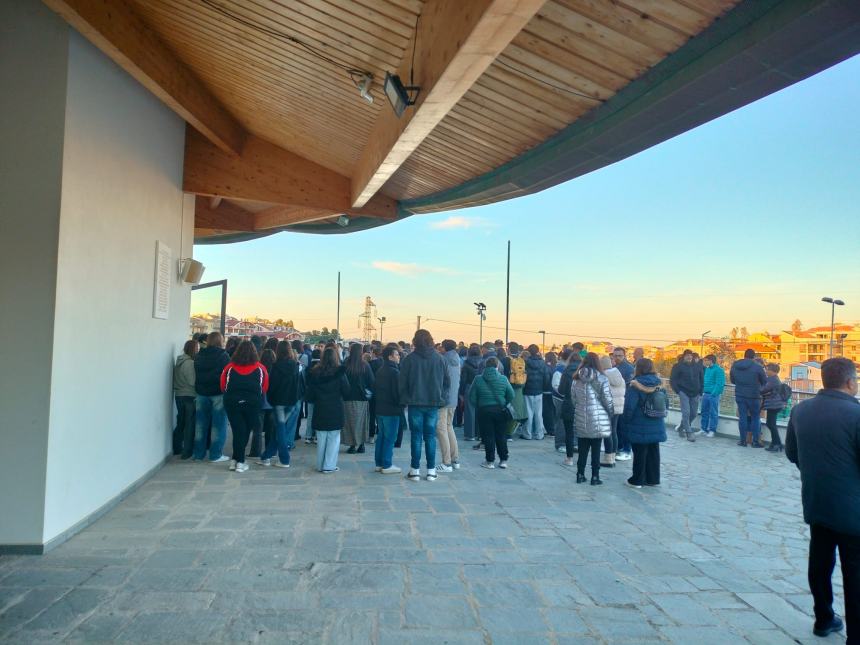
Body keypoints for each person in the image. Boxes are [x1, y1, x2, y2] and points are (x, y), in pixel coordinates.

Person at [785, 357, 860, 642]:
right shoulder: (856, 415)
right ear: (850, 382)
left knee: (820, 562)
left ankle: (823, 618)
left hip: (817, 502)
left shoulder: (800, 410)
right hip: (854, 510)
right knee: (855, 573)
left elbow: (793, 453)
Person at [398, 329, 448, 482]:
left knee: (416, 436)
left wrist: (405, 399)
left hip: (415, 403)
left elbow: (402, 383)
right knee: (430, 437)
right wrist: (441, 398)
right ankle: (431, 470)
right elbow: (447, 383)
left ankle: (415, 470)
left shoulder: (409, 359)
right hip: (433, 403)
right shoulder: (440, 359)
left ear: (415, 341)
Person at [220, 340, 269, 473]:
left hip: (232, 403)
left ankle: (235, 460)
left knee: (237, 431)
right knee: (245, 431)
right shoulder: (260, 368)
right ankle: (240, 462)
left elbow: (223, 386)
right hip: (252, 403)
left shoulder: (229, 367)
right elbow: (264, 387)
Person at [623, 358, 668, 488]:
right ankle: (653, 479)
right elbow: (666, 404)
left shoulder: (635, 385)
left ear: (638, 368)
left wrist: (626, 420)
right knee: (654, 451)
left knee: (640, 452)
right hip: (656, 422)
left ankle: (637, 480)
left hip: (639, 423)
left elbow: (630, 407)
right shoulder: (660, 384)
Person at [305, 347, 350, 473]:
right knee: (334, 439)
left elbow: (309, 396)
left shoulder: (315, 373)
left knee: (321, 438)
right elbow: (346, 391)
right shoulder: (340, 373)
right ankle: (329, 465)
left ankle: (320, 465)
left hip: (320, 409)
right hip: (335, 408)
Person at [572, 353, 613, 485]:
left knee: (582, 448)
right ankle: (595, 477)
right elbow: (607, 398)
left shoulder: (576, 377)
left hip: (580, 415)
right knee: (596, 449)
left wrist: (580, 408)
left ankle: (580, 474)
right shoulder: (602, 378)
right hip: (598, 418)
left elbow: (573, 398)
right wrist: (610, 412)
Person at [258, 341, 301, 468]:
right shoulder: (295, 366)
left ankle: (284, 459)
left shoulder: (276, 367)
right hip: (291, 402)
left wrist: (270, 400)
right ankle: (266, 456)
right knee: (279, 429)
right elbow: (297, 385)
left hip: (279, 403)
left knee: (280, 431)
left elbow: (272, 386)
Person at [469, 357, 514, 469]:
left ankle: (490, 461)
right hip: (500, 410)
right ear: (497, 366)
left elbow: (472, 396)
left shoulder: (478, 379)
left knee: (488, 436)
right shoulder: (503, 379)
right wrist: (504, 403)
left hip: (484, 410)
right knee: (501, 435)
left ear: (485, 366)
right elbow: (511, 395)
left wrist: (479, 405)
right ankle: (503, 460)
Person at [192, 331, 231, 462]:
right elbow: (227, 374)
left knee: (200, 425)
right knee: (218, 424)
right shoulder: (223, 356)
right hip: (218, 393)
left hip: (201, 393)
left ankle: (198, 454)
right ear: (220, 341)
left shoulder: (198, 355)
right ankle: (215, 454)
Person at [373, 344, 403, 474]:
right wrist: (401, 405)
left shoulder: (381, 370)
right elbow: (397, 393)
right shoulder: (394, 372)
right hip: (391, 410)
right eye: (396, 354)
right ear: (390, 357)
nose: (399, 357)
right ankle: (387, 464)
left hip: (380, 408)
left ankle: (379, 463)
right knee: (390, 437)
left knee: (382, 436)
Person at [730, 349, 767, 447]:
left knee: (742, 418)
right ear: (754, 357)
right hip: (754, 396)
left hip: (740, 395)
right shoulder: (758, 367)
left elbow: (732, 380)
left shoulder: (735, 366)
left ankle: (742, 441)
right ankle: (755, 442)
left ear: (744, 355)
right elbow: (764, 382)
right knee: (755, 418)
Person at [343, 343, 374, 454]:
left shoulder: (346, 363)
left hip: (348, 397)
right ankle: (361, 445)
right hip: (362, 398)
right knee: (362, 422)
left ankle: (352, 445)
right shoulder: (365, 365)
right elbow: (371, 381)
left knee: (349, 423)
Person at [436, 339, 461, 472]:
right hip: (453, 400)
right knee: (449, 427)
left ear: (444, 348)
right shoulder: (457, 359)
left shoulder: (443, 360)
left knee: (441, 430)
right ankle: (455, 459)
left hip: (443, 400)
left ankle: (446, 463)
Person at [172, 339, 198, 459]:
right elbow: (192, 381)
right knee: (189, 424)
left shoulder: (179, 361)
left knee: (181, 422)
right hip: (189, 395)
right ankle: (187, 452)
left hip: (179, 395)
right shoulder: (189, 363)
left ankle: (177, 447)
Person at [670, 350, 703, 442]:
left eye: (690, 355)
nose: (689, 357)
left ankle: (681, 427)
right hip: (683, 392)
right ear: (684, 356)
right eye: (687, 355)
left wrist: (701, 391)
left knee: (693, 413)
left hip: (695, 393)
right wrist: (678, 391)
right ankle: (689, 432)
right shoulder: (678, 366)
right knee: (686, 412)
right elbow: (673, 380)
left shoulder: (698, 366)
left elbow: (701, 379)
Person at [598, 355, 625, 468]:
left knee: (607, 433)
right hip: (618, 408)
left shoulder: (604, 377)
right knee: (613, 432)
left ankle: (608, 458)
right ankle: (613, 457)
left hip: (607, 408)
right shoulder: (620, 376)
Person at [558, 347, 583, 464]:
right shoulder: (586, 371)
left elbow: (561, 390)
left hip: (569, 404)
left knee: (569, 432)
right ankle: (583, 458)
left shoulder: (566, 371)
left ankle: (569, 458)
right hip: (583, 405)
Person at [522, 344, 549, 440]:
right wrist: (543, 387)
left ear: (529, 351)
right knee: (538, 413)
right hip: (539, 391)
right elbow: (546, 377)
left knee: (528, 413)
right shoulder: (542, 363)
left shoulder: (525, 362)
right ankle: (539, 434)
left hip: (527, 390)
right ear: (538, 351)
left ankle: (527, 434)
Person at [253, 348, 276, 459]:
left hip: (260, 401)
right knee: (270, 429)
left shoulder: (258, 369)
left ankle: (255, 451)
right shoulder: (276, 370)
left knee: (257, 428)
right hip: (272, 402)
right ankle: (269, 450)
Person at [761, 363, 788, 452]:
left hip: (774, 405)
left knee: (771, 424)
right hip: (774, 405)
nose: (766, 371)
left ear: (773, 371)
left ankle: (777, 444)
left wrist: (757, 388)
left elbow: (763, 389)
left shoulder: (773, 380)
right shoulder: (773, 379)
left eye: (768, 369)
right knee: (770, 424)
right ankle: (775, 443)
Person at [460, 345, 482, 442]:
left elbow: (463, 380)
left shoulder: (466, 364)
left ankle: (470, 435)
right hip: (481, 387)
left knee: (469, 412)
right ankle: (479, 434)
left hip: (469, 387)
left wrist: (461, 392)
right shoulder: (483, 362)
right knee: (480, 411)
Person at [700, 354, 725, 437]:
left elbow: (720, 383)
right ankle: (703, 429)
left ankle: (712, 430)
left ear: (710, 360)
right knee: (704, 412)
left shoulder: (719, 370)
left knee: (713, 413)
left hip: (713, 395)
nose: (705, 362)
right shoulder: (707, 369)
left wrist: (713, 393)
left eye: (706, 360)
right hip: (705, 394)